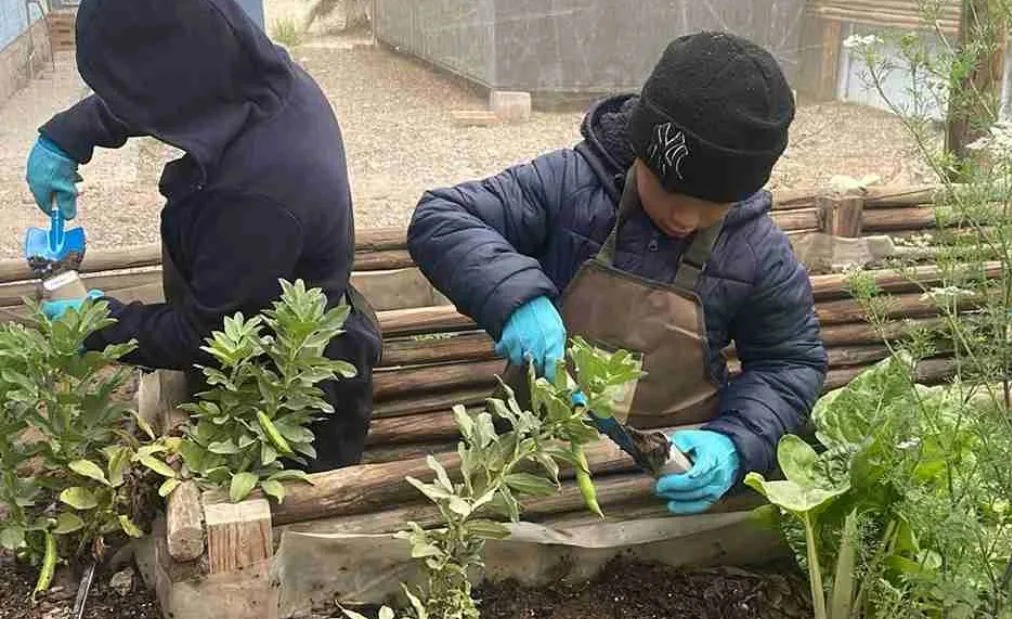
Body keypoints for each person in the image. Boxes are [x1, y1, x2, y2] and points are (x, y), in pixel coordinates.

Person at [407, 32, 828, 514]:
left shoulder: (758, 252)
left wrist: (736, 441)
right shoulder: (571, 186)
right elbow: (442, 217)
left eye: (711, 205)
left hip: (668, 477)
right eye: (670, 190)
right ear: (642, 149)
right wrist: (516, 296)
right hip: (530, 454)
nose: (685, 218)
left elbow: (789, 362)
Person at [24, 0, 381, 470]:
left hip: (285, 397)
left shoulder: (258, 194)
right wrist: (71, 132)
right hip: (250, 322)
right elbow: (163, 86)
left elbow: (202, 334)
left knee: (277, 502)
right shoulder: (265, 80)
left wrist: (95, 322)